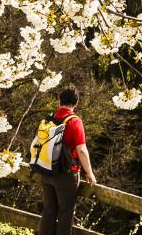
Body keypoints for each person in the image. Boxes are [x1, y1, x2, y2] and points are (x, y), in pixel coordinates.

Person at [38, 85, 96, 235]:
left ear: (59, 100)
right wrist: (89, 172)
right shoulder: (74, 121)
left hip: (46, 170)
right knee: (65, 213)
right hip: (65, 173)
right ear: (76, 103)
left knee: (49, 210)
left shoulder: (51, 118)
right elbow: (81, 150)